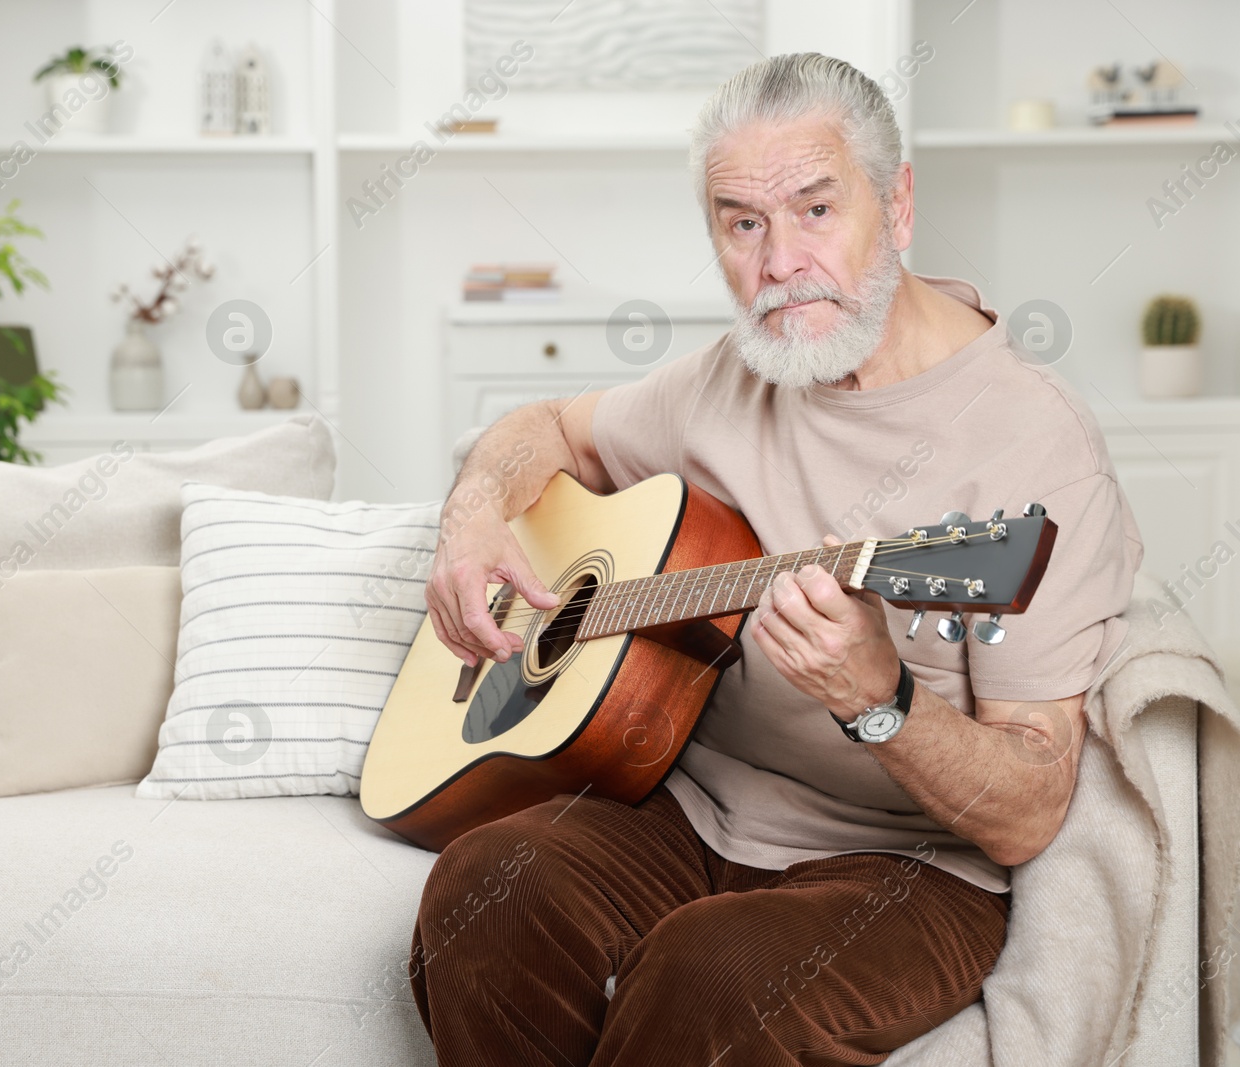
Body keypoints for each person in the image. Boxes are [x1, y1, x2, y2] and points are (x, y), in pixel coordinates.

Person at [409, 51, 1143, 1066]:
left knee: (715, 976)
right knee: (483, 890)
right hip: (690, 808)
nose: (778, 263)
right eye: (741, 222)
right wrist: (475, 517)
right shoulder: (730, 377)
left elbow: (1027, 810)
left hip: (908, 866)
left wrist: (879, 699)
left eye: (813, 209)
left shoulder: (1035, 448)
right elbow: (542, 425)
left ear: (896, 204)